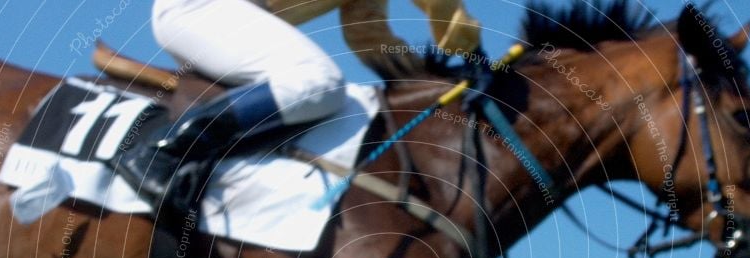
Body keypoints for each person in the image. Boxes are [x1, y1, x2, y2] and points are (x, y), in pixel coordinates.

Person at [121, 0, 481, 199]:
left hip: (220, 18)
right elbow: (443, 12)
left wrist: (429, 84)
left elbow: (368, 35)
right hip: (200, 9)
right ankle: (163, 155)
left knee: (316, 91)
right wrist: (475, 54)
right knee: (318, 81)